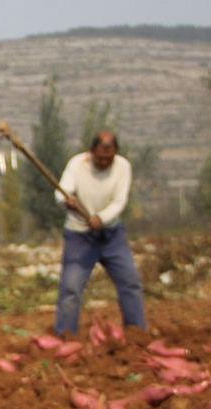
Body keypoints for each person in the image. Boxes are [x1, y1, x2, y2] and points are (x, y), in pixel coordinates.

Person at [53, 130, 147, 336]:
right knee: (71, 289)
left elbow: (120, 201)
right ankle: (65, 336)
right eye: (100, 158)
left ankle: (137, 333)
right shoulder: (77, 164)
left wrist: (101, 218)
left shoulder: (123, 167)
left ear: (116, 153)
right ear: (91, 152)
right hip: (79, 236)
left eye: (109, 159)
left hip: (112, 235)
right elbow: (61, 192)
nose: (104, 162)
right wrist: (68, 200)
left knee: (130, 283)